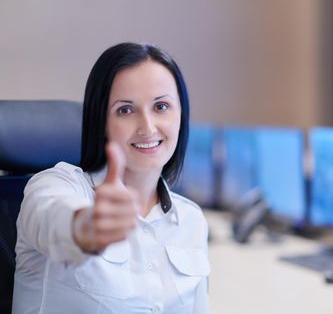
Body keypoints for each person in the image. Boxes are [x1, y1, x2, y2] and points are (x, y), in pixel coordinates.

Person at [12, 43, 210, 313]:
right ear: (101, 121)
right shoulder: (54, 185)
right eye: (125, 110)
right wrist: (86, 227)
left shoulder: (191, 220)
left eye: (161, 106)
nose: (148, 127)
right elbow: (52, 218)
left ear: (181, 115)